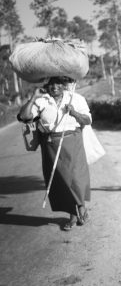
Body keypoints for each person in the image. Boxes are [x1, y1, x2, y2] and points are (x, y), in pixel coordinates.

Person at [18, 76, 91, 231]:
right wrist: (33, 98)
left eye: (58, 83)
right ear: (47, 86)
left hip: (73, 142)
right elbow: (24, 117)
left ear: (64, 85)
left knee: (76, 178)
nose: (55, 87)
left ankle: (82, 207)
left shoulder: (76, 98)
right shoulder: (41, 101)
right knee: (61, 181)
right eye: (51, 84)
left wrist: (74, 113)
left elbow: (87, 120)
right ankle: (72, 215)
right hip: (51, 145)